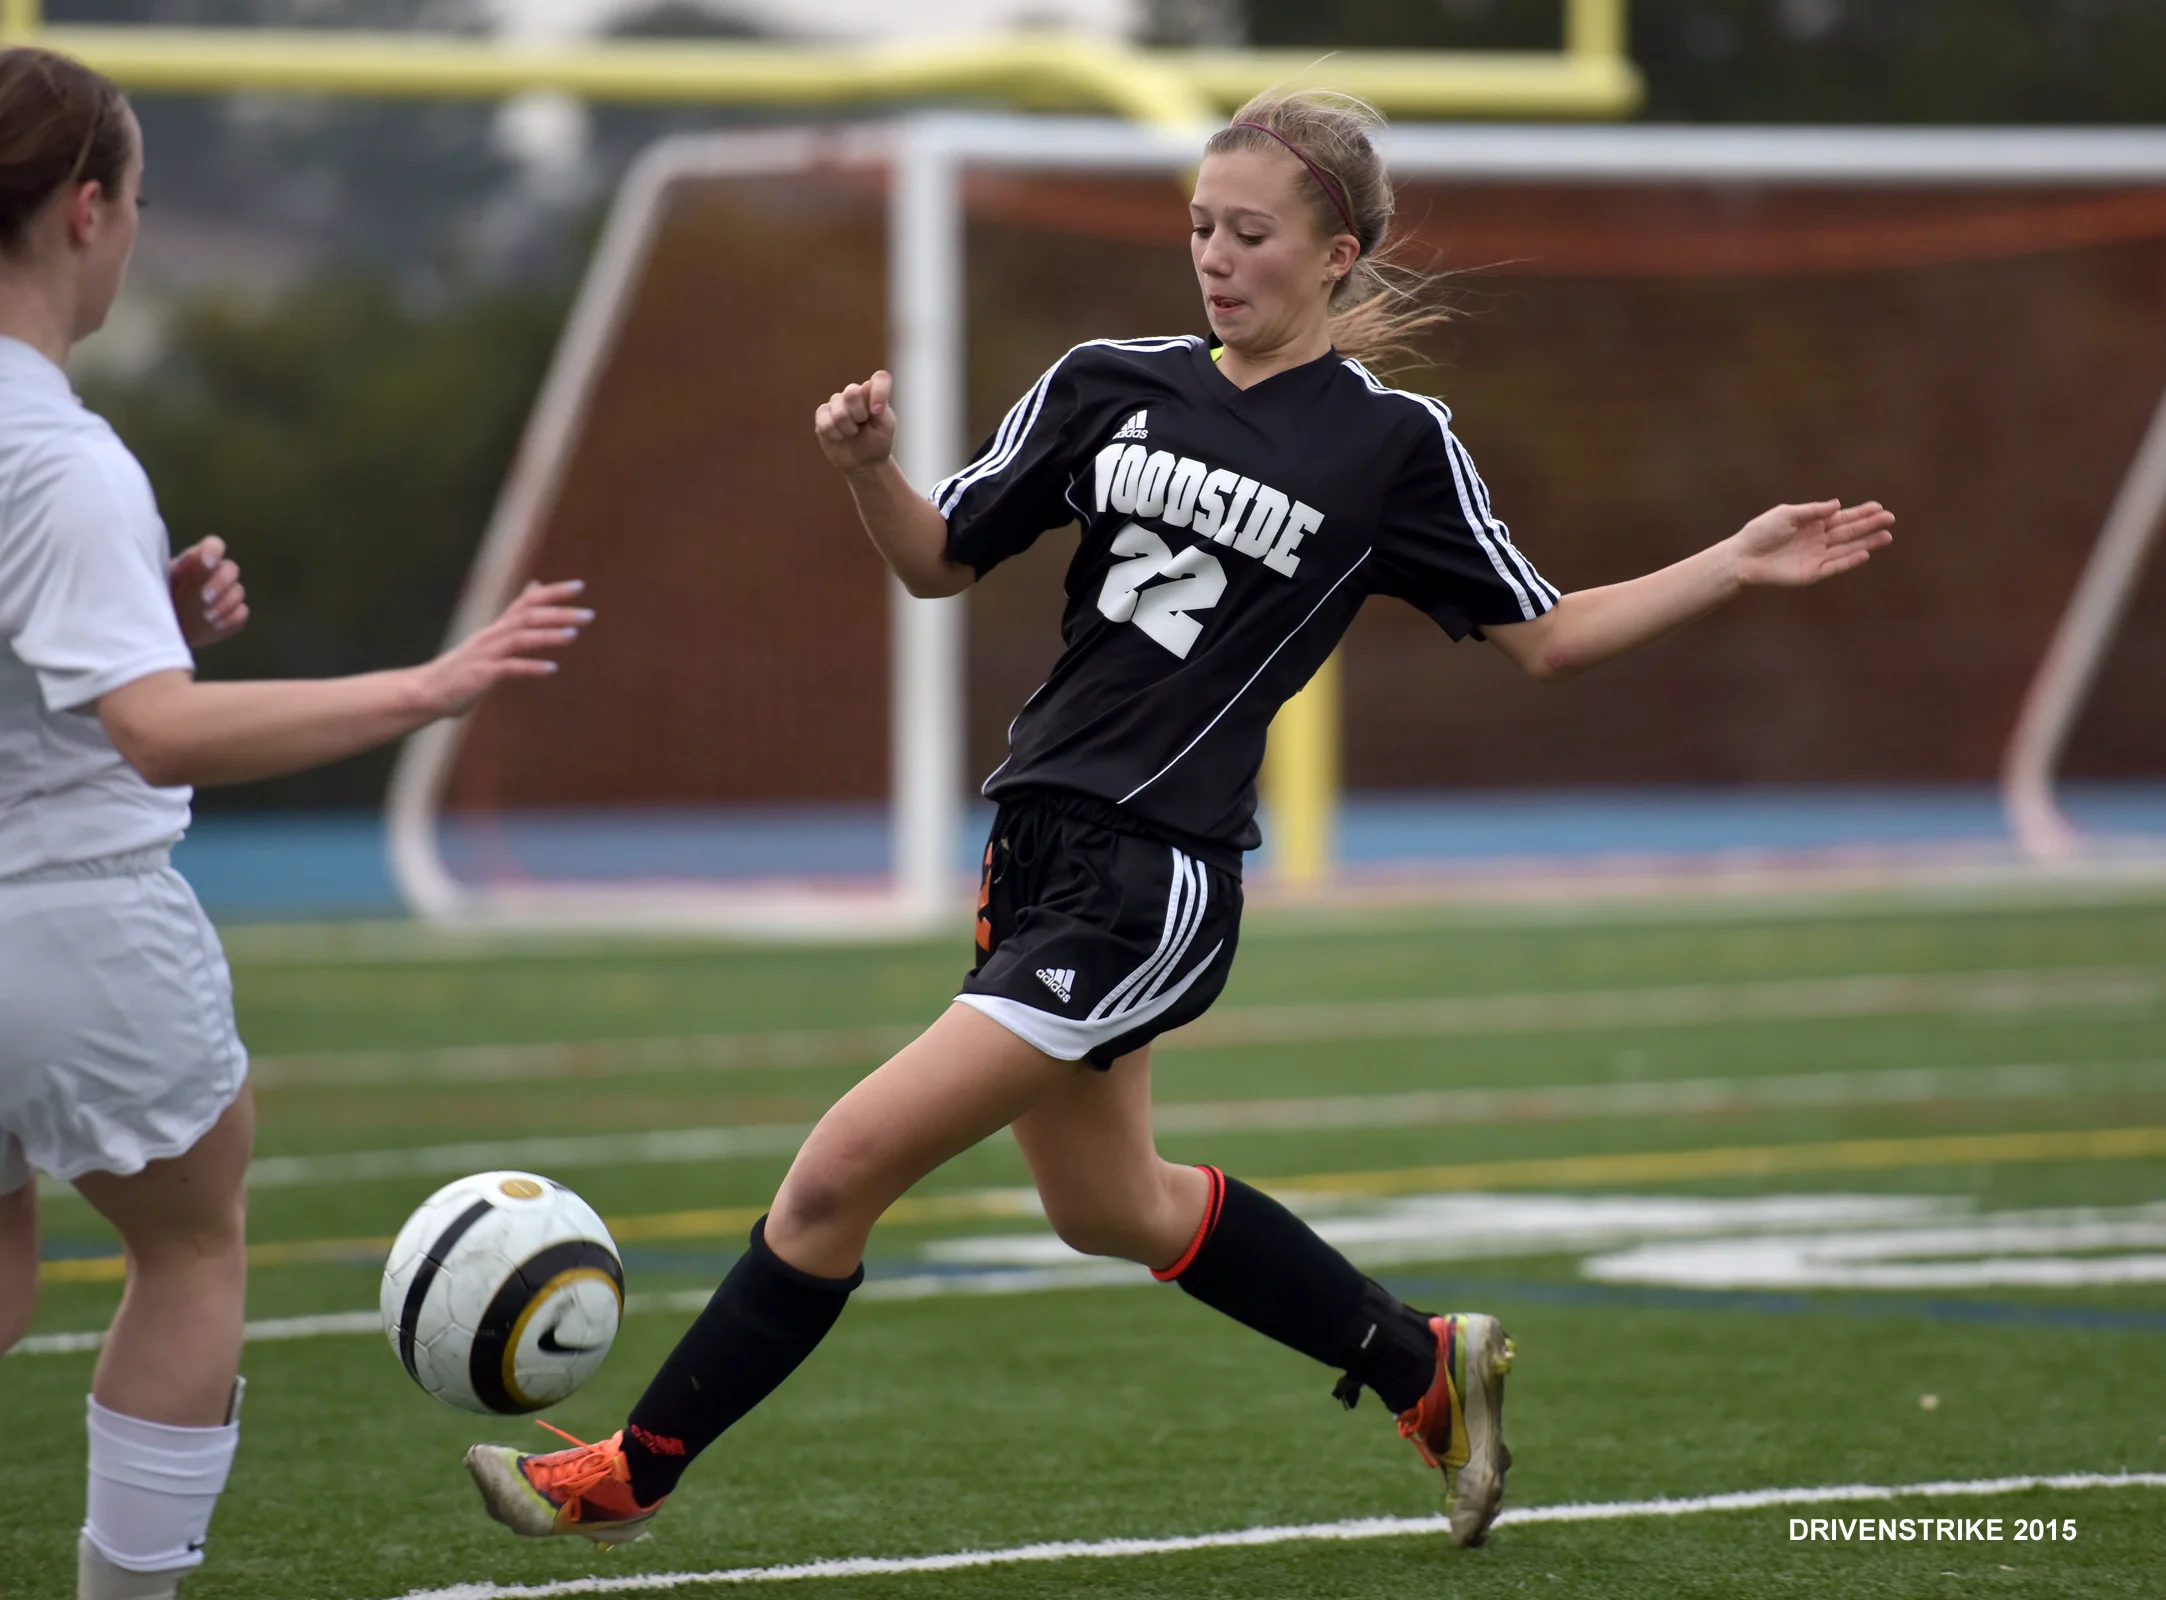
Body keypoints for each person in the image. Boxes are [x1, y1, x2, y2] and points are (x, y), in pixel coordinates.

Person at [467, 88, 1892, 1550]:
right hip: (1034, 848)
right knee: (1109, 1209)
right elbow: (938, 560)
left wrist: (1730, 559)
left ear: (1336, 253)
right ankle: (1420, 1364)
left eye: (1251, 231)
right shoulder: (1103, 381)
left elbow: (1544, 636)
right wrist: (860, 472)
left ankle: (632, 1474)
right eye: (1201, 226)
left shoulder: (1392, 443)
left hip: (1149, 881)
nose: (1215, 255)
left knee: (838, 1172)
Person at [0, 47, 591, 1600]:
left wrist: (145, 621)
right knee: (188, 1247)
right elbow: (149, 733)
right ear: (85, 208)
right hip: (67, 914)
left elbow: (71, 669)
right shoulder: (56, 456)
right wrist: (428, 685)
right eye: (136, 201)